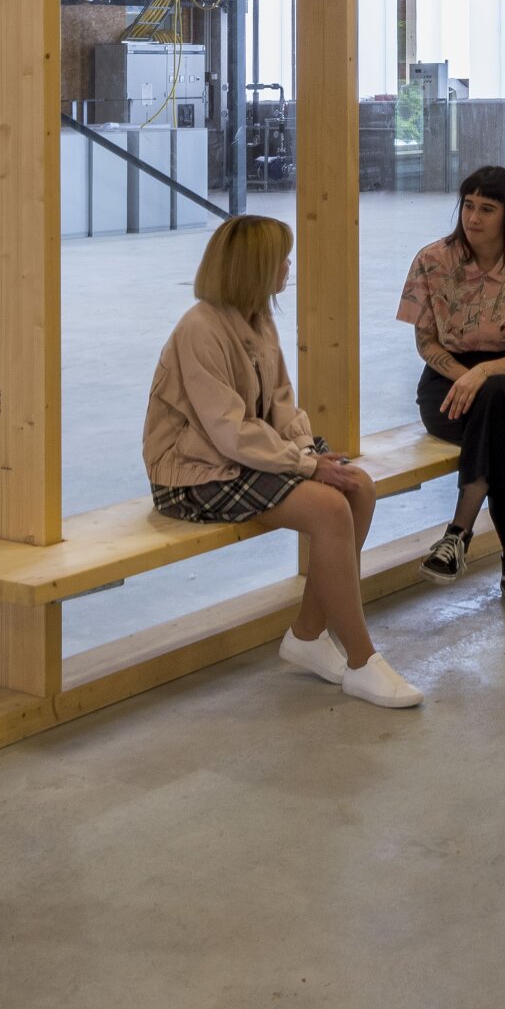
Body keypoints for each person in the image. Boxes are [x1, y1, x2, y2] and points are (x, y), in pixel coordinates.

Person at [145, 214, 421, 709]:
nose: (288, 267)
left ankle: (309, 634)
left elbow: (282, 405)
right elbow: (229, 430)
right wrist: (306, 467)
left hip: (235, 459)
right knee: (329, 508)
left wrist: (311, 454)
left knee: (358, 486)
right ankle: (362, 661)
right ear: (254, 267)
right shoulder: (199, 330)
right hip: (191, 474)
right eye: (281, 259)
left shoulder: (259, 319)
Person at [400, 165, 505, 612]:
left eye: (486, 209)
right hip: (446, 384)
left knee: (499, 401)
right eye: (468, 206)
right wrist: (465, 375)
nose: (473, 218)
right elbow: (425, 342)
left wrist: (484, 374)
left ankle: (458, 534)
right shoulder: (432, 260)